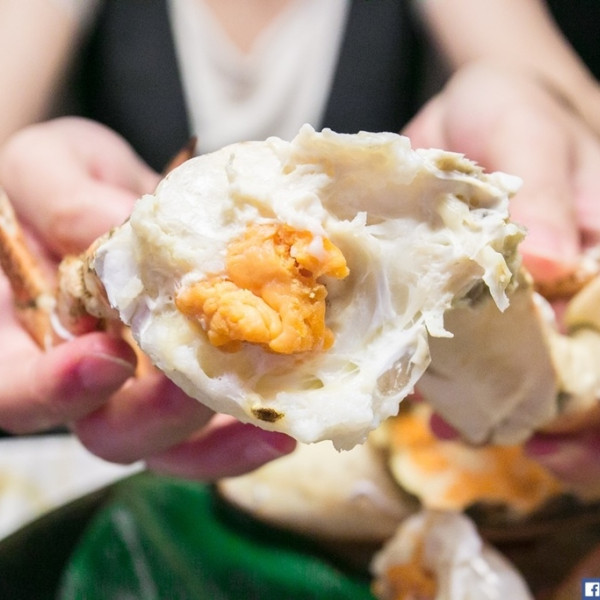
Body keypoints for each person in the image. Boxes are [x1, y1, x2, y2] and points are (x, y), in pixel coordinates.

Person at [1, 0, 600, 484]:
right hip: (136, 391)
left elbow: (560, 86)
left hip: (407, 418)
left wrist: (536, 100)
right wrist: (23, 180)